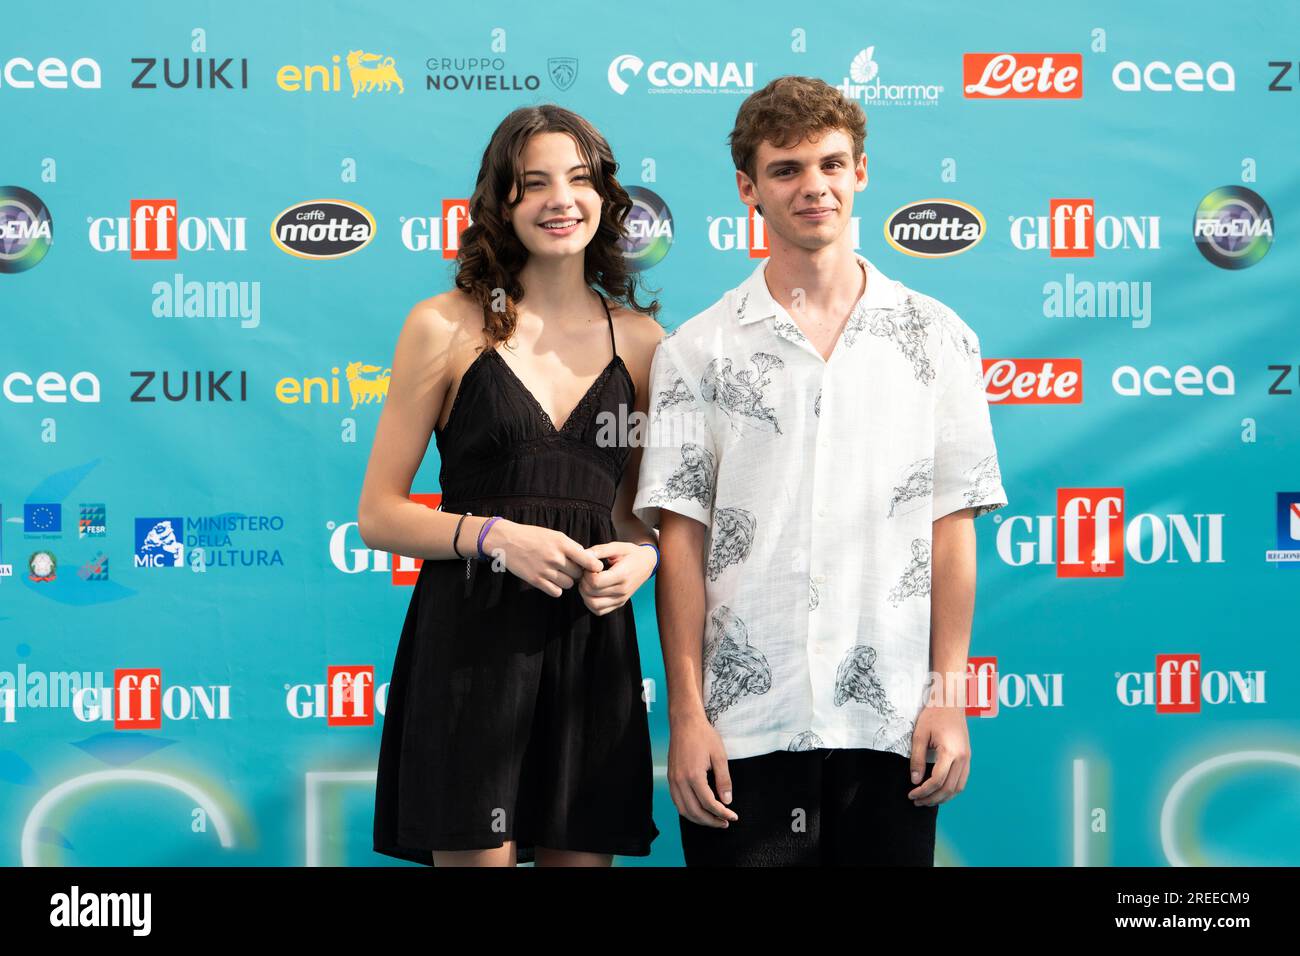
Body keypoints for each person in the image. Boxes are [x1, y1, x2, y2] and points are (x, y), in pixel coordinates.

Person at [632, 75, 1009, 866]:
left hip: (893, 727)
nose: (814, 187)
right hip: (743, 731)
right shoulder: (696, 352)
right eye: (787, 169)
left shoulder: (939, 340)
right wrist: (689, 716)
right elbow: (681, 549)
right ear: (748, 188)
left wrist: (948, 698)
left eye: (832, 165)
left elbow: (952, 534)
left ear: (860, 172)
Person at [360, 104, 665, 867]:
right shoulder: (444, 325)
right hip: (470, 646)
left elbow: (637, 519)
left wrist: (645, 559)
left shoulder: (645, 341)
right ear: (502, 203)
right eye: (533, 184)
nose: (560, 199)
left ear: (604, 196)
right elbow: (379, 516)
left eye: (578, 179)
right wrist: (492, 536)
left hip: (589, 646)